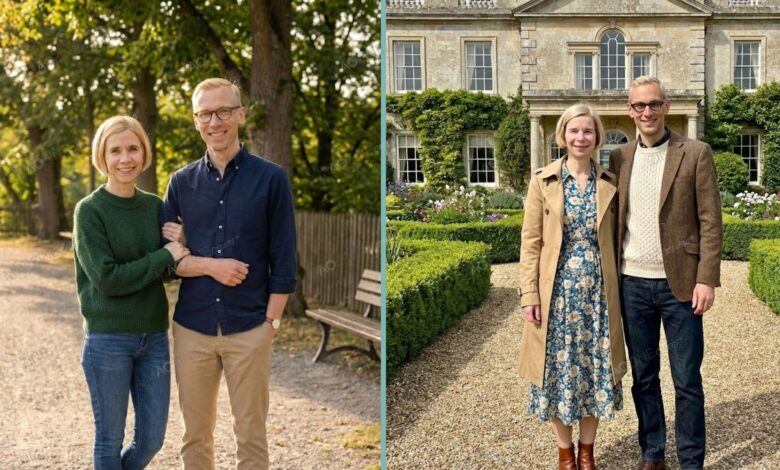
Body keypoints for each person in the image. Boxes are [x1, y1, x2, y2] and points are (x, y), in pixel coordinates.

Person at [161, 77, 297, 469]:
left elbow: (284, 258)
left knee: (251, 434)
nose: (214, 121)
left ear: (239, 114)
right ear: (195, 120)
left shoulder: (271, 179)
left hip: (250, 326)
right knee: (195, 435)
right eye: (205, 113)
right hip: (192, 328)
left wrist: (271, 322)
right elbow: (168, 260)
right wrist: (211, 266)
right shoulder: (181, 183)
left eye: (223, 111)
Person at [609, 76, 722, 470]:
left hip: (682, 285)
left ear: (666, 106)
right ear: (630, 111)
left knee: (687, 380)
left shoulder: (695, 152)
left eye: (653, 104)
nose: (647, 112)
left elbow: (710, 221)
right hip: (633, 285)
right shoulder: (619, 158)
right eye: (639, 106)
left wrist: (706, 277)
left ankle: (691, 461)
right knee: (644, 376)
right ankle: (652, 453)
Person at [73, 115, 190, 469]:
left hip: (153, 335)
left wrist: (179, 244)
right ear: (103, 157)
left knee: (151, 439)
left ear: (144, 153)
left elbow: (167, 271)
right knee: (109, 440)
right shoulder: (89, 211)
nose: (126, 158)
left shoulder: (155, 206)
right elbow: (108, 279)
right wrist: (162, 255)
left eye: (133, 149)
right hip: (108, 339)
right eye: (116, 150)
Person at [518, 103, 628, 470]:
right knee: (557, 373)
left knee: (596, 370)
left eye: (588, 131)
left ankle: (587, 450)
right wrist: (528, 294)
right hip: (557, 293)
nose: (581, 137)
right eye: (574, 131)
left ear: (597, 137)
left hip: (599, 293)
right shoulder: (543, 180)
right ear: (562, 135)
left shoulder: (610, 181)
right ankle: (565, 452)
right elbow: (530, 242)